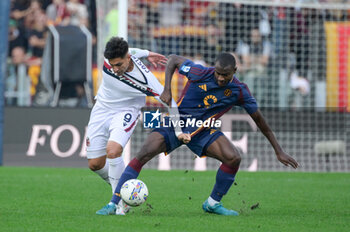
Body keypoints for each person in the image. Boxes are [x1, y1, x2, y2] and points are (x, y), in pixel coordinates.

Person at [96, 52, 299, 216]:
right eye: (218, 73)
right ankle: (113, 204)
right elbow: (174, 60)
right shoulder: (199, 72)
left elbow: (259, 120)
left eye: (225, 75)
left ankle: (212, 203)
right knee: (143, 153)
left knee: (233, 157)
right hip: (176, 121)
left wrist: (278, 150)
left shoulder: (239, 91)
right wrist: (166, 89)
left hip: (201, 131)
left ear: (234, 72)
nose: (220, 78)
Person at [87, 37, 175, 214]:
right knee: (95, 164)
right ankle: (125, 186)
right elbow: (133, 50)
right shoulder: (110, 59)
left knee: (113, 151)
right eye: (113, 65)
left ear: (128, 58)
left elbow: (170, 103)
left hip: (126, 110)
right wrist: (148, 53)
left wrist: (182, 127)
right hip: (101, 108)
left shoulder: (146, 79)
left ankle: (118, 202)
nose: (115, 69)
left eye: (119, 64)